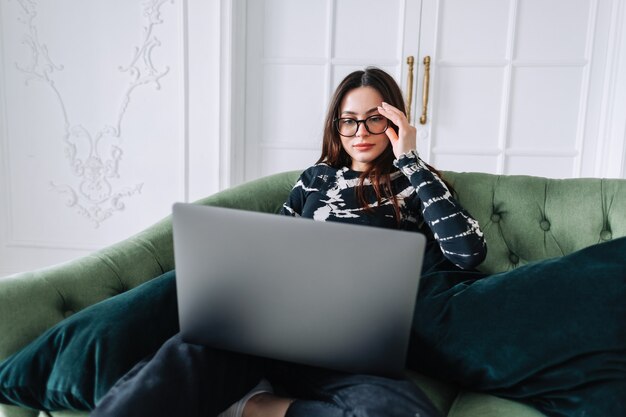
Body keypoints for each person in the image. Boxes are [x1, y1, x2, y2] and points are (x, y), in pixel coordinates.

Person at [91, 67, 626, 417]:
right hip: (284, 326)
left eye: (375, 118)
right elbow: (270, 250)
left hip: (362, 349)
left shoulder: (415, 181)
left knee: (403, 413)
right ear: (335, 126)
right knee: (183, 355)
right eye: (349, 120)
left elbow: (468, 254)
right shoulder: (312, 181)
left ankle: (265, 410)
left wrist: (413, 159)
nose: (360, 130)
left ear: (394, 121)